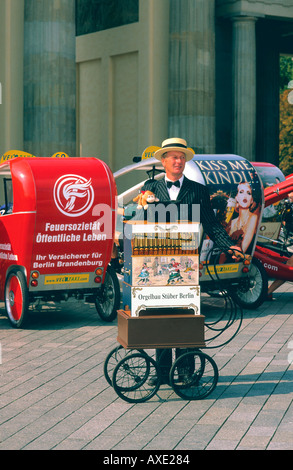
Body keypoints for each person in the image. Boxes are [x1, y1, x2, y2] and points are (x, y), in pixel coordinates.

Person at [135, 137, 243, 384]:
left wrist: (230, 246)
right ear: (163, 161)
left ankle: (185, 371)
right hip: (157, 265)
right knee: (160, 315)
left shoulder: (198, 190)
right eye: (173, 156)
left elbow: (212, 225)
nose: (178, 161)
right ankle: (162, 372)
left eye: (182, 157)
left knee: (185, 315)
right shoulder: (150, 187)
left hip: (187, 265)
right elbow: (141, 225)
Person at [228, 182, 260, 254]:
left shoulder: (253, 217)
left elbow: (242, 250)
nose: (245, 196)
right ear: (236, 197)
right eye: (241, 192)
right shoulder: (233, 222)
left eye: (249, 193)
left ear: (251, 200)